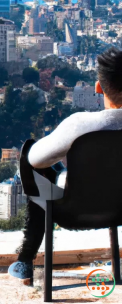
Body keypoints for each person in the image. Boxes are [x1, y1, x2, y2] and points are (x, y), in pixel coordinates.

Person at [9, 47, 122, 280]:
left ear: (98, 88)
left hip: (73, 212)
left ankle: (25, 259)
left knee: (34, 164)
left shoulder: (80, 125)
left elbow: (35, 160)